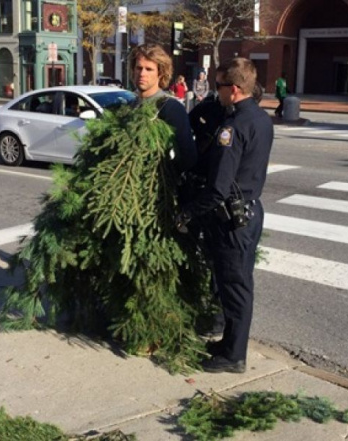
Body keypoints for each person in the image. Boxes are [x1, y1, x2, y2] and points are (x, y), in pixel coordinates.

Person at [177, 57, 273, 374]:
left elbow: (217, 189)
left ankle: (234, 357)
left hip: (231, 220)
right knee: (236, 283)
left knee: (235, 287)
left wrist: (186, 213)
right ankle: (228, 345)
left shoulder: (231, 129)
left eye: (219, 86)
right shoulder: (261, 119)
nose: (216, 93)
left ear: (233, 89)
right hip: (250, 212)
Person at [128, 44, 196, 173]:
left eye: (149, 69)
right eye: (139, 68)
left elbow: (188, 156)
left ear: (160, 73)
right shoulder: (129, 106)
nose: (142, 74)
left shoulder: (171, 108)